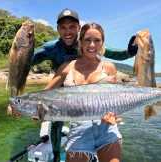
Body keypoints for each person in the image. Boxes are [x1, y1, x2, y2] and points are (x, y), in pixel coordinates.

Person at [11, 8, 137, 162]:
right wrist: (16, 99)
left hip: (91, 98)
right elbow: (26, 60)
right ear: (58, 29)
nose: (68, 31)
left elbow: (112, 54)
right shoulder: (53, 49)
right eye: (63, 27)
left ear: (78, 28)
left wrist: (129, 52)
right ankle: (57, 156)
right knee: (55, 124)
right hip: (61, 92)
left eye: (72, 27)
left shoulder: (89, 42)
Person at [44, 22, 122, 162]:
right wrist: (20, 106)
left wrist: (114, 116)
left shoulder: (109, 68)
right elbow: (44, 94)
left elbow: (114, 101)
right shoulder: (67, 67)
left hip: (107, 130)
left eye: (97, 40)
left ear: (102, 43)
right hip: (79, 132)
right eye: (87, 40)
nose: (92, 45)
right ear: (80, 42)